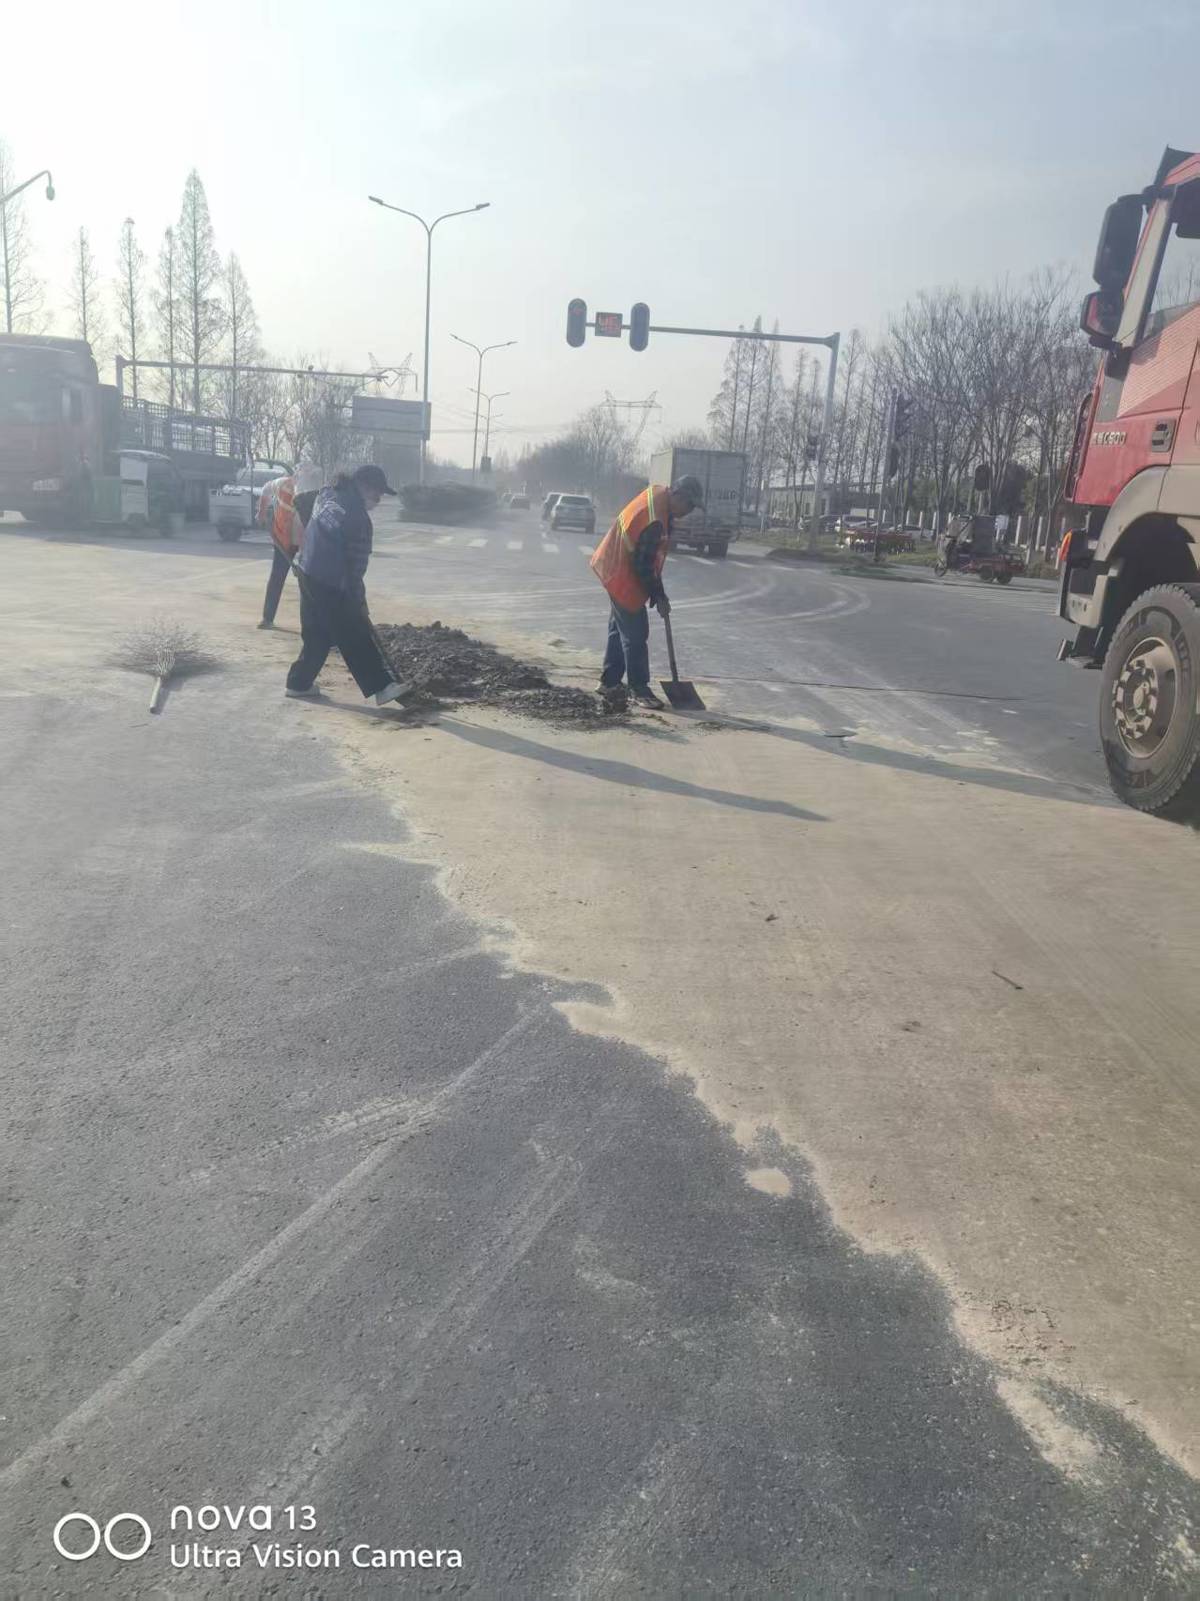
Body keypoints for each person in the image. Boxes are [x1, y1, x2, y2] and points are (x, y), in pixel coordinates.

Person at [284, 464, 410, 707]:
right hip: (331, 581)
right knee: (354, 633)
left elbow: (303, 503)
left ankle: (298, 683)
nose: (378, 500)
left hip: (307, 571)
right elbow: (355, 566)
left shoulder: (328, 493)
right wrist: (357, 599)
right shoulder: (358, 519)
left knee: (317, 633)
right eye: (377, 493)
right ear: (363, 486)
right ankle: (382, 687)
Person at [589, 475, 704, 708]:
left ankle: (609, 682)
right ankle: (638, 689)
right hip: (621, 571)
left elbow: (648, 560)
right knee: (636, 633)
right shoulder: (655, 519)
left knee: (619, 629)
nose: (689, 512)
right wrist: (658, 596)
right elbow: (643, 565)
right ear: (677, 496)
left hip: (615, 563)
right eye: (689, 505)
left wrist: (659, 594)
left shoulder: (660, 497)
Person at [257, 463, 323, 629]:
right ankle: (267, 618)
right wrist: (262, 512)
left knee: (308, 583)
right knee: (277, 576)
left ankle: (312, 625)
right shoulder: (283, 484)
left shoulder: (320, 495)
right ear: (297, 479)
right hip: (283, 539)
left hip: (307, 544)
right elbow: (265, 489)